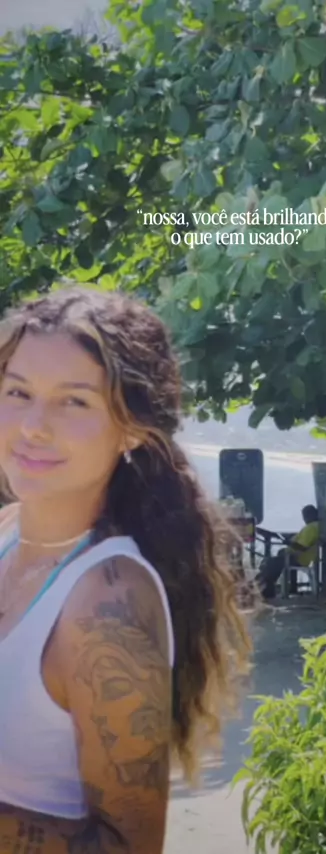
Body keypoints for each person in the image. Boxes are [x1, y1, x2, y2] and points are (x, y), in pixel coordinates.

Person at [0, 286, 251, 853]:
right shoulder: (9, 529)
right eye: (18, 391)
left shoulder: (106, 604)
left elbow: (128, 845)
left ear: (134, 429)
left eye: (74, 402)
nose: (33, 425)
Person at [256, 505, 321, 599]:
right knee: (272, 563)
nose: (304, 519)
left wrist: (289, 543)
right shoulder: (314, 526)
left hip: (298, 558)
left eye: (305, 516)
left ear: (310, 515)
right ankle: (267, 588)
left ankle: (266, 590)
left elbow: (302, 547)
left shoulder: (311, 528)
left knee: (271, 564)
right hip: (296, 556)